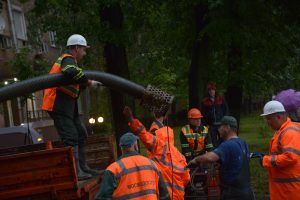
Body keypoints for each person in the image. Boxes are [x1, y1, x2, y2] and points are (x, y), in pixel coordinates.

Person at [42, 34, 101, 180]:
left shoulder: (73, 63)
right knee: (71, 137)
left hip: (68, 105)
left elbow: (74, 81)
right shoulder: (68, 59)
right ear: (75, 48)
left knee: (80, 133)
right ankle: (76, 172)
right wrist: (88, 82)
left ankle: (83, 168)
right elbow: (69, 71)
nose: (85, 53)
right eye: (83, 49)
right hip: (57, 104)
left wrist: (86, 83)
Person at [123, 107, 190, 200]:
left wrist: (131, 119)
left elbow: (144, 135)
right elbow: (186, 178)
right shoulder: (179, 155)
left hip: (163, 196)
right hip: (178, 196)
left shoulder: (159, 148)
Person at [189, 116, 255, 200]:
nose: (218, 129)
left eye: (220, 127)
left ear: (227, 127)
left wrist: (196, 159)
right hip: (247, 192)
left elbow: (210, 157)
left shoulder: (227, 145)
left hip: (233, 194)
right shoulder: (243, 143)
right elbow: (239, 162)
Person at [94, 132, 170, 200]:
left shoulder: (113, 169)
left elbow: (102, 197)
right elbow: (164, 195)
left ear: (121, 149)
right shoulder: (152, 164)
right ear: (136, 146)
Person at [259, 100, 300, 200]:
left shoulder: (289, 132)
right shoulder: (282, 131)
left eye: (269, 119)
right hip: (283, 190)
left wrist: (266, 160)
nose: (267, 122)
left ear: (278, 117)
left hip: (289, 191)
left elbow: (290, 157)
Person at [201, 83, 229, 147]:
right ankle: (215, 155)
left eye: (213, 90)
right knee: (213, 142)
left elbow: (226, 111)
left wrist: (225, 122)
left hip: (221, 124)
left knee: (223, 140)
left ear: (215, 90)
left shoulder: (221, 100)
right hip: (211, 125)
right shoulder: (204, 102)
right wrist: (206, 124)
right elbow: (202, 114)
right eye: (210, 90)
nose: (211, 91)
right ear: (208, 91)